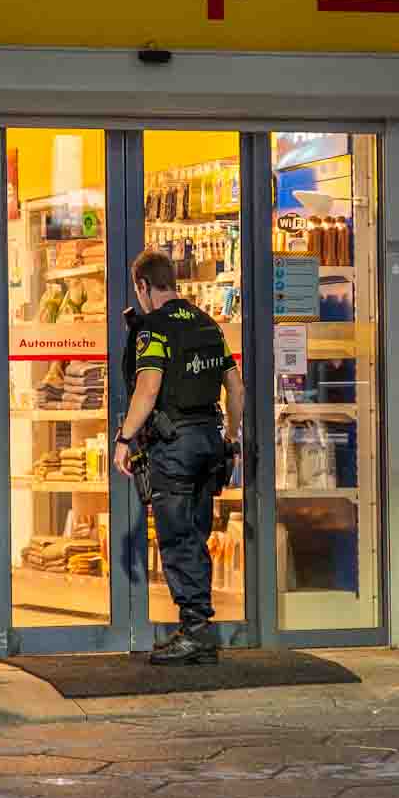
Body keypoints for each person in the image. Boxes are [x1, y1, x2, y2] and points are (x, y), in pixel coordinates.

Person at [113, 248, 243, 666]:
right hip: (209, 441)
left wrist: (124, 437)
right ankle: (199, 629)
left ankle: (195, 632)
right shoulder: (209, 324)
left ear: (145, 287)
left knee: (176, 538)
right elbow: (236, 390)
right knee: (196, 535)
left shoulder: (155, 329)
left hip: (175, 448)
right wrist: (231, 437)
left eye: (140, 290)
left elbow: (147, 389)